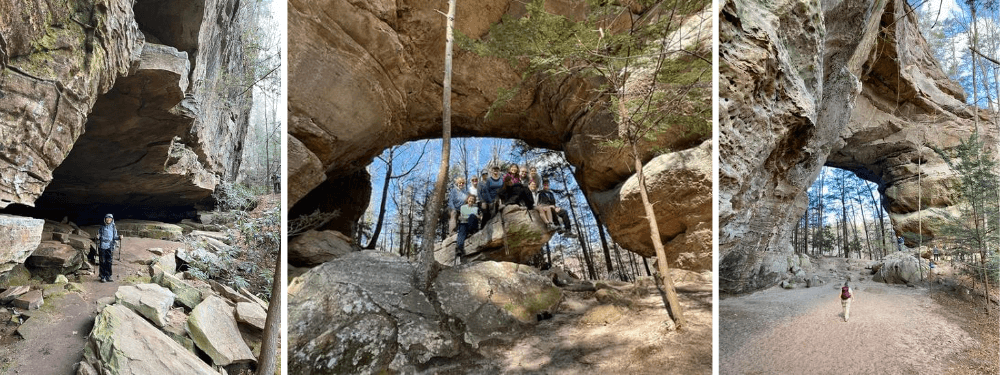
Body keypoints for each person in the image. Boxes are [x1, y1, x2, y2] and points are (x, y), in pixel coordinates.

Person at [455, 195, 481, 263]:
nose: (471, 200)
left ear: (474, 201)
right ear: (467, 200)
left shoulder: (476, 208)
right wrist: (471, 216)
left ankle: (472, 231)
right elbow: (461, 217)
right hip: (464, 224)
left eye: (473, 199)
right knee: (462, 231)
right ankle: (459, 248)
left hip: (472, 224)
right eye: (470, 199)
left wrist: (472, 216)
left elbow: (478, 217)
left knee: (472, 216)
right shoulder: (463, 207)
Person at [96, 213, 121, 283]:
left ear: (112, 219)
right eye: (107, 218)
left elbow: (115, 237)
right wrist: (98, 237)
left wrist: (119, 237)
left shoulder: (113, 227)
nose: (108, 219)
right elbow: (99, 235)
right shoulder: (102, 227)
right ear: (105, 219)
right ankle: (102, 276)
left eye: (110, 218)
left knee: (109, 261)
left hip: (110, 246)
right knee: (102, 261)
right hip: (102, 246)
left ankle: (109, 276)